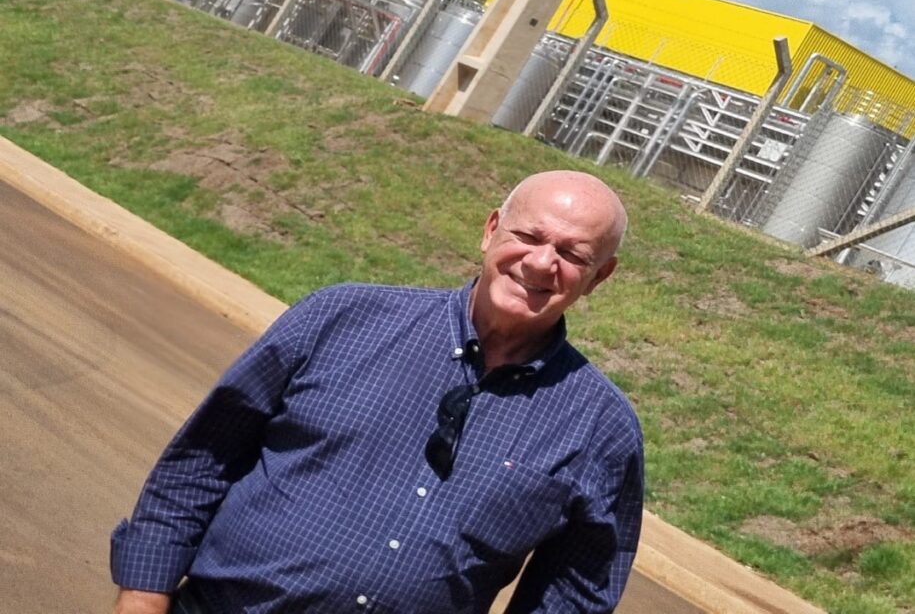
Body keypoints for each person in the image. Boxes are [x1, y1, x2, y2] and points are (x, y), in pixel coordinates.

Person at [111, 170, 643, 614]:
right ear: (491, 230)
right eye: (529, 237)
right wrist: (142, 597)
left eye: (572, 253)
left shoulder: (600, 428)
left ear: (600, 276)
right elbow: (200, 463)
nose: (541, 263)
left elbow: (574, 595)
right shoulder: (342, 318)